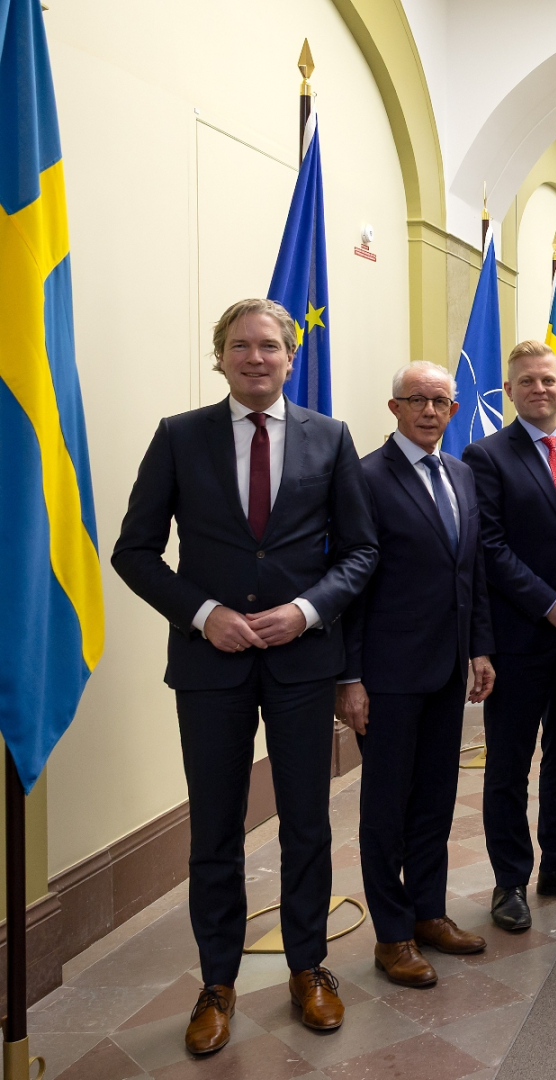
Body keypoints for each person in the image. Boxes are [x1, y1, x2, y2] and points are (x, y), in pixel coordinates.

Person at [112, 299, 376, 1054]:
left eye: (268, 346)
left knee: (307, 823)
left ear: (291, 357)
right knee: (215, 829)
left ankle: (308, 967)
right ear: (219, 356)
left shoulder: (330, 437)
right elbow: (134, 551)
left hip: (301, 662)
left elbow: (360, 551)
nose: (255, 357)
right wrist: (203, 615)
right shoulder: (179, 436)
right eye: (239, 345)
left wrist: (305, 610)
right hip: (210, 667)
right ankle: (217, 983)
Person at [337, 362, 495, 987]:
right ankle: (393, 934)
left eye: (441, 401)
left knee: (434, 798)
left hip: (447, 668)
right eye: (417, 400)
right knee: (386, 808)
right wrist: (349, 676)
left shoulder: (460, 473)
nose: (430, 411)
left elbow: (470, 571)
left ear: (454, 409)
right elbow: (352, 583)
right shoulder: (365, 478)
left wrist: (479, 648)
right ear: (394, 408)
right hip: (387, 675)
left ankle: (429, 912)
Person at [463, 341, 556, 934]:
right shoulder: (485, 455)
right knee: (509, 763)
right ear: (509, 390)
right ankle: (509, 881)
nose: (539, 389)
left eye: (548, 380)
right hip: (522, 635)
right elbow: (489, 547)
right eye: (526, 381)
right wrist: (550, 605)